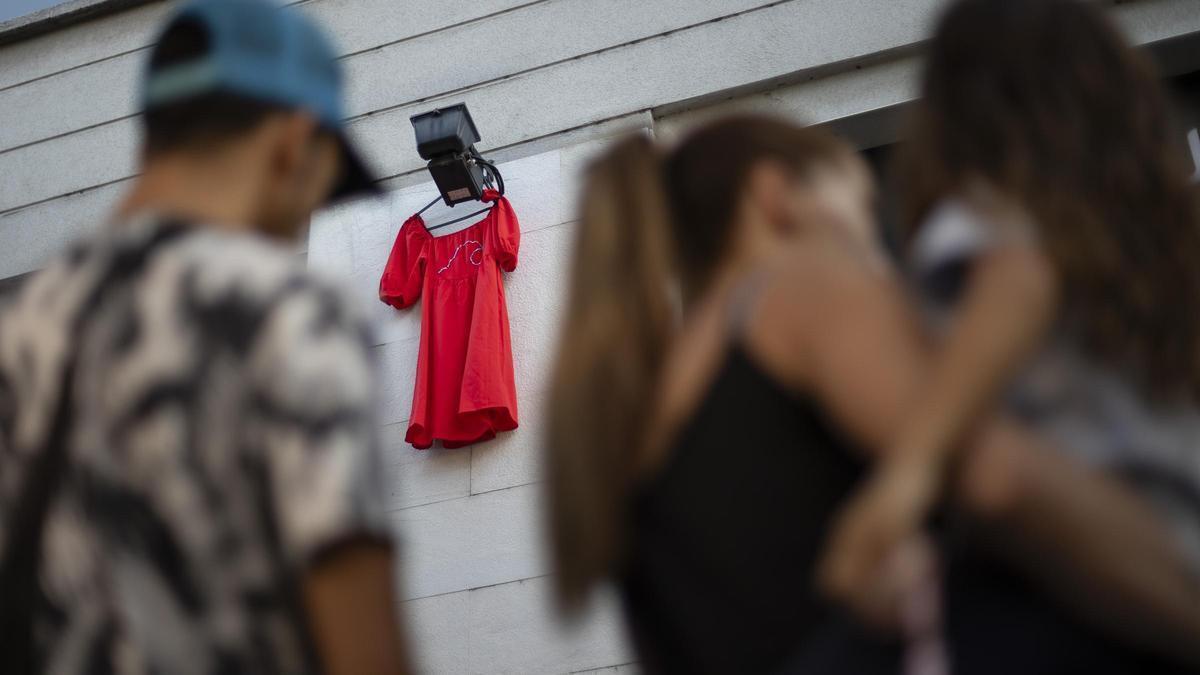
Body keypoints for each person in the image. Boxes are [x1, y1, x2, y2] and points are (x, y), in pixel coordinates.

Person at [0, 1, 410, 673]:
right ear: (293, 145)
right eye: (322, 186)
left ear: (152, 138)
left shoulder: (21, 325)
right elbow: (364, 649)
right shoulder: (287, 312)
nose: (309, 211)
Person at [819, 0, 1200, 670]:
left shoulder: (986, 217)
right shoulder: (1168, 246)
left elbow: (1017, 277)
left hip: (1071, 592)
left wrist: (906, 477)